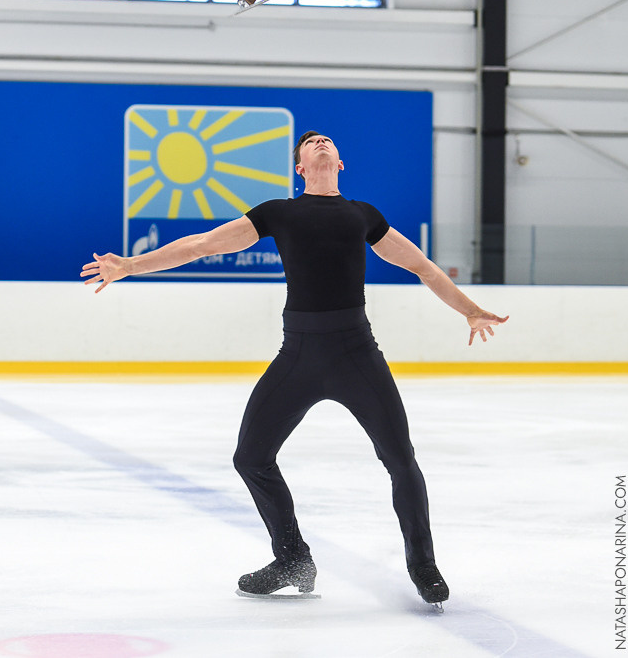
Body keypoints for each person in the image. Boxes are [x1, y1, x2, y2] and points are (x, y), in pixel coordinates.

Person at [81, 131, 508, 609]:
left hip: (356, 353)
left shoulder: (363, 216)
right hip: (299, 355)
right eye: (311, 143)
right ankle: (291, 559)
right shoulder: (277, 213)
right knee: (251, 457)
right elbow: (203, 245)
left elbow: (425, 269)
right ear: (299, 167)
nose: (321, 142)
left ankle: (424, 567)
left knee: (400, 459)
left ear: (340, 163)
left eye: (328, 141)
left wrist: (469, 309)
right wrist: (131, 266)